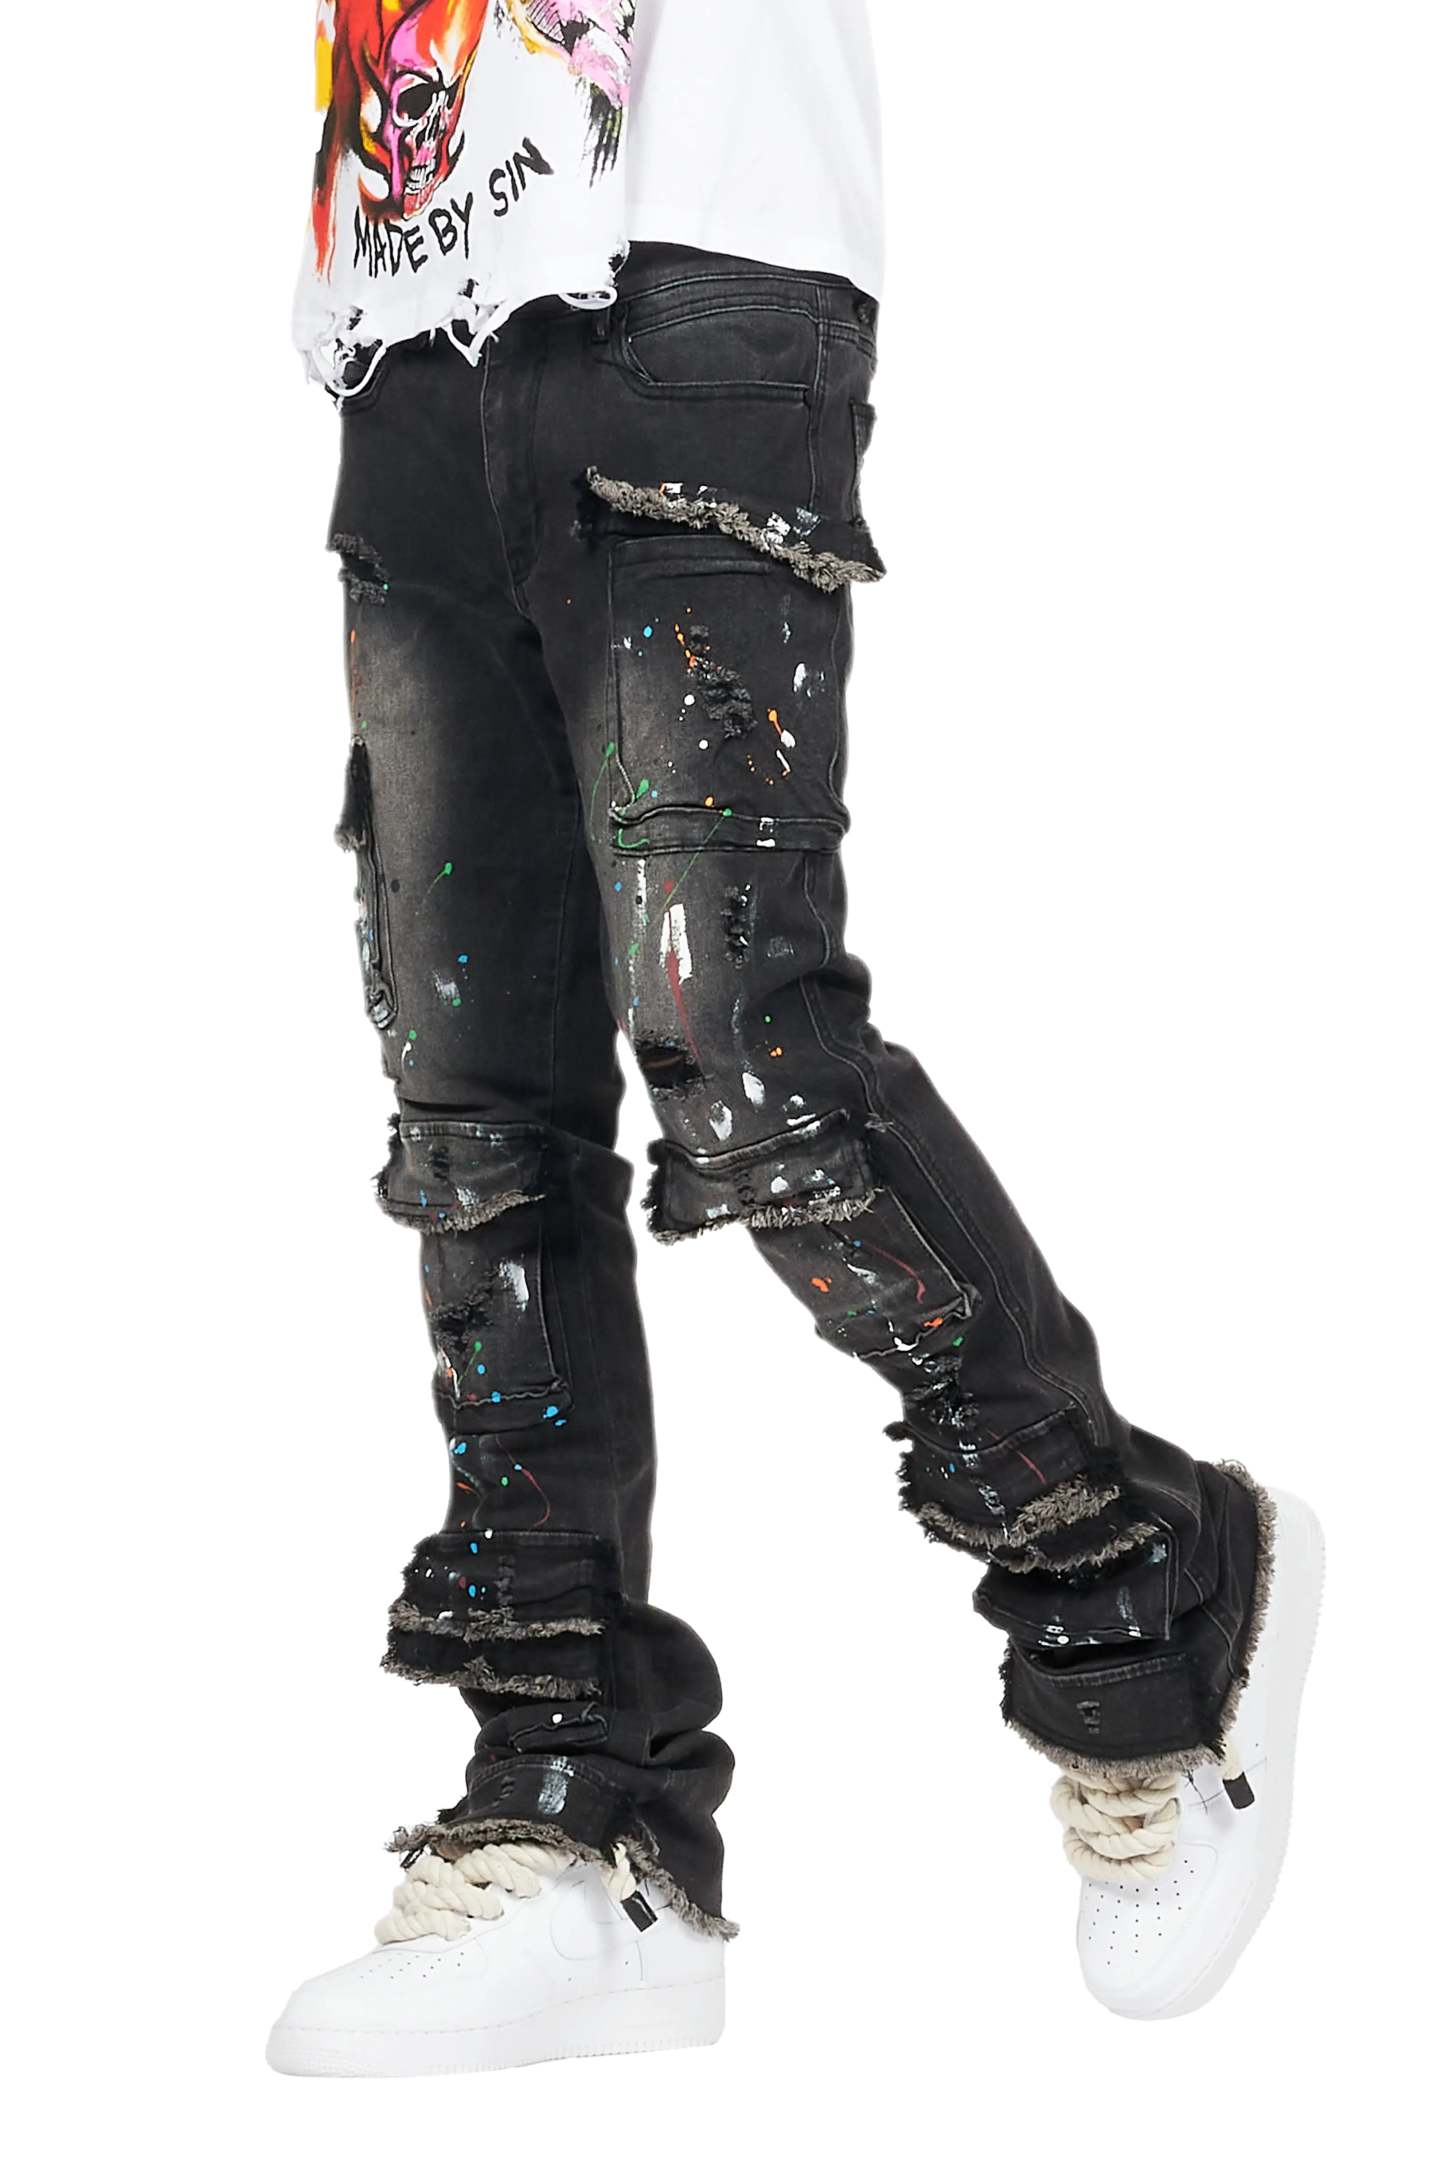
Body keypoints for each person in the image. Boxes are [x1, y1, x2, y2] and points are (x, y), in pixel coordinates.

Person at [267, 0, 1322, 2075]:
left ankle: (1140, 1588)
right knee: (476, 1118)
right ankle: (578, 1809)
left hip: (697, 275)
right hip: (403, 294)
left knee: (742, 1053)